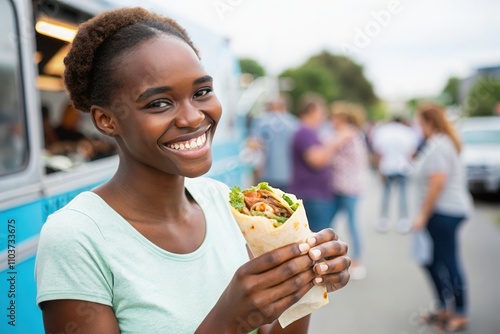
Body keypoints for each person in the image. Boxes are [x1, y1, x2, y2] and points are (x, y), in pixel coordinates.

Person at [34, 8, 351, 334]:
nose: (193, 117)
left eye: (201, 93)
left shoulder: (226, 204)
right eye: (159, 103)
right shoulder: (76, 237)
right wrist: (230, 320)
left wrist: (302, 285)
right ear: (106, 120)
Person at [412, 103, 472, 332]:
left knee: (447, 261)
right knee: (434, 261)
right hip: (446, 211)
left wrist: (422, 215)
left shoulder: (439, 145)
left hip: (445, 211)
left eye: (420, 122)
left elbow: (437, 184)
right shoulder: (441, 142)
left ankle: (460, 311)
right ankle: (446, 307)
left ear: (429, 122)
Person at [328, 101, 369, 280]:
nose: (332, 120)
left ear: (342, 118)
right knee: (338, 222)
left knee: (350, 224)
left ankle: (357, 261)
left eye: (334, 117)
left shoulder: (346, 134)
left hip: (347, 187)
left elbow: (329, 153)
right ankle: (337, 257)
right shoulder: (355, 134)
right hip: (347, 186)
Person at [288, 93, 337, 233]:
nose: (324, 115)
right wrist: (336, 141)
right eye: (321, 111)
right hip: (313, 195)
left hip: (314, 194)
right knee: (318, 241)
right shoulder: (305, 132)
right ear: (311, 111)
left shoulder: (308, 132)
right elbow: (317, 161)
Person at [371, 116, 419, 233]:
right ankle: (403, 221)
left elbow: (378, 152)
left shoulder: (382, 131)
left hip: (387, 167)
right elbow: (412, 152)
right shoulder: (408, 132)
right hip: (403, 167)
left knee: (386, 194)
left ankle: (383, 221)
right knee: (403, 195)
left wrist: (379, 168)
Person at [248, 94, 298, 191]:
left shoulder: (261, 121)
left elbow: (252, 144)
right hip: (290, 175)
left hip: (266, 175)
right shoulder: (294, 123)